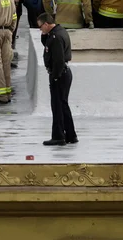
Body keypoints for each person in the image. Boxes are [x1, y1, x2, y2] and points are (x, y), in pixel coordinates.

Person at [37, 13, 77, 147]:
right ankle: (70, 135)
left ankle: (58, 136)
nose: (40, 30)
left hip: (59, 74)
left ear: (46, 24)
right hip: (64, 73)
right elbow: (47, 45)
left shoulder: (56, 37)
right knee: (63, 105)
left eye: (41, 27)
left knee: (57, 106)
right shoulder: (58, 32)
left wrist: (54, 76)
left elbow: (59, 60)